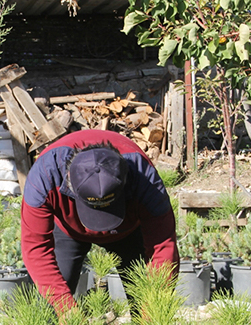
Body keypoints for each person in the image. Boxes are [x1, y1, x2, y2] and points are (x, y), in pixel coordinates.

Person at [21, 129, 178, 314]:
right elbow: (35, 247)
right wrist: (65, 309)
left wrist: (154, 309)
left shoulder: (144, 177)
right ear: (69, 181)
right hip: (68, 231)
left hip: (128, 232)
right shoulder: (45, 176)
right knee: (50, 309)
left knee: (145, 300)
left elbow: (163, 245)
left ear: (125, 179)